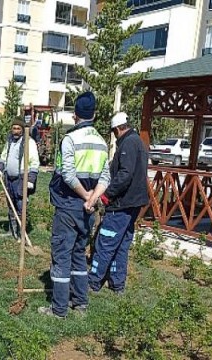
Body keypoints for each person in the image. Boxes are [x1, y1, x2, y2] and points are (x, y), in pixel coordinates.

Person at [38, 91, 110, 318]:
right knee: (79, 254)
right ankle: (81, 303)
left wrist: (84, 195)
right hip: (88, 209)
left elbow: (68, 175)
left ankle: (59, 309)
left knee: (61, 255)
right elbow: (106, 177)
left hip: (69, 206)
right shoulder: (101, 141)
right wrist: (93, 198)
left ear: (75, 115)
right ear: (94, 114)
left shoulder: (70, 140)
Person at [88, 112, 149, 294]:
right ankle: (117, 284)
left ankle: (93, 282)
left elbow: (124, 174)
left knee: (105, 241)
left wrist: (107, 195)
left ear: (116, 129)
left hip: (122, 203)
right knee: (122, 244)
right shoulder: (138, 142)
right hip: (134, 203)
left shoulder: (128, 144)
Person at [0, 118, 40, 240]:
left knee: (21, 206)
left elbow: (35, 163)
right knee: (11, 205)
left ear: (22, 130)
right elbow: (3, 157)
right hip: (9, 179)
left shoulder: (29, 143)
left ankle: (21, 234)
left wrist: (31, 179)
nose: (15, 131)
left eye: (18, 129)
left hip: (21, 180)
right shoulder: (9, 142)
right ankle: (12, 230)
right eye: (14, 128)